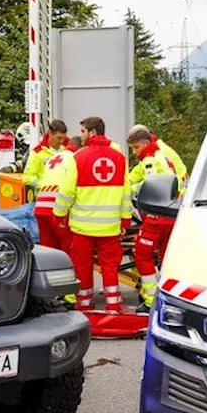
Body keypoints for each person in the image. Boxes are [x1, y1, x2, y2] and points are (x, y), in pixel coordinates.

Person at [54, 116, 131, 314]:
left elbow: (67, 191)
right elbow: (125, 193)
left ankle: (85, 303)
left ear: (93, 132)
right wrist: (125, 219)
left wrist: (59, 213)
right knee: (110, 266)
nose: (81, 135)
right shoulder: (120, 158)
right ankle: (113, 305)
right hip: (110, 226)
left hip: (82, 226)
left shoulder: (77, 157)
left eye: (82, 131)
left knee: (82, 265)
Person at [127, 125, 190, 313]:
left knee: (142, 254)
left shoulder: (151, 160)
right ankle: (170, 297)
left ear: (145, 143)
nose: (134, 152)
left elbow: (150, 185)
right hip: (174, 213)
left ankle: (150, 300)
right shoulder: (164, 153)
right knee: (166, 258)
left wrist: (125, 191)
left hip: (157, 215)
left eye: (136, 147)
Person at [23, 119, 71, 201]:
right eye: (59, 138)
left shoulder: (68, 150)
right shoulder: (38, 153)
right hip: (45, 198)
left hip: (64, 198)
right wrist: (43, 185)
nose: (62, 141)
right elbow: (28, 177)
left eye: (63, 138)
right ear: (50, 133)